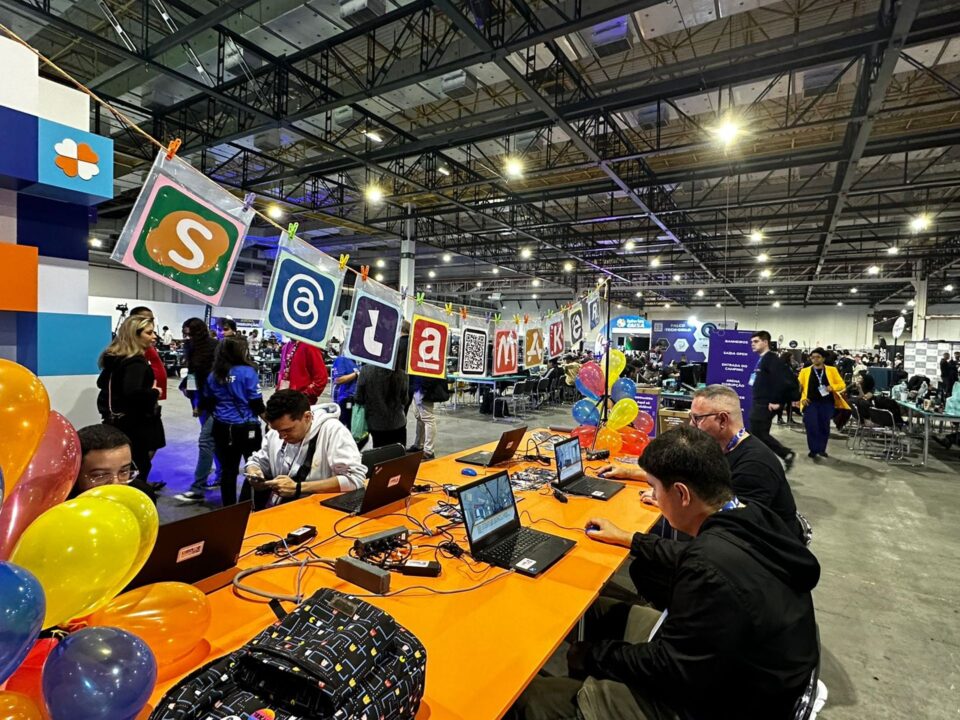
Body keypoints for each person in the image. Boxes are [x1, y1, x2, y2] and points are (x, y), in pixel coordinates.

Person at [509, 425, 820, 720]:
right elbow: (692, 557)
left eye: (655, 488)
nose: (654, 499)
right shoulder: (750, 517)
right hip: (746, 668)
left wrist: (594, 656)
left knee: (533, 697)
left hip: (720, 703)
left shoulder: (708, 570)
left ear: (682, 494)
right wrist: (631, 539)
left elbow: (670, 670)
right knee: (599, 609)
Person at [600, 385, 803, 541]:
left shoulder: (754, 467)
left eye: (697, 419)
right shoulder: (725, 448)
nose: (692, 425)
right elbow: (683, 475)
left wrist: (625, 537)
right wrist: (628, 472)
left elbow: (730, 533)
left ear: (722, 420)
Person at [244, 390, 365, 503]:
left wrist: (299, 488)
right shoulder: (275, 433)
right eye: (277, 430)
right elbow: (256, 462)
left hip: (319, 509)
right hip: (282, 509)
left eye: (288, 430)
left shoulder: (333, 431)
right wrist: (254, 473)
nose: (281, 437)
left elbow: (355, 480)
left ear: (307, 417)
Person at [96, 315, 165, 483]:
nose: (154, 336)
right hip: (135, 425)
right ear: (136, 334)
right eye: (149, 333)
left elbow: (102, 382)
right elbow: (133, 393)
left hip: (118, 422)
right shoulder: (135, 363)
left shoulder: (117, 359)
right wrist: (154, 392)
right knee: (138, 467)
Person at [199, 337, 266, 507]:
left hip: (221, 427)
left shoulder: (214, 374)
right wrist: (270, 421)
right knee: (255, 466)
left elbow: (208, 402)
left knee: (228, 471)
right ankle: (250, 504)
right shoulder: (248, 372)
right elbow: (256, 403)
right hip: (247, 428)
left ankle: (229, 508)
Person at [175, 317, 222, 503]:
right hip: (201, 399)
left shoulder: (215, 346)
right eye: (185, 333)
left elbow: (216, 375)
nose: (187, 336)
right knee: (212, 441)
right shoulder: (191, 347)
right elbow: (193, 375)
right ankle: (220, 476)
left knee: (206, 441)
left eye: (189, 333)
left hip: (217, 401)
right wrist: (196, 402)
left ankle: (198, 488)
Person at [70, 424, 155, 502]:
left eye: (124, 471)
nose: (116, 483)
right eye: (100, 475)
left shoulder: (142, 496)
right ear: (76, 475)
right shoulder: (62, 509)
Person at [748, 330, 796, 469]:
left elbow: (782, 381)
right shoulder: (763, 358)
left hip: (766, 404)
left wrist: (777, 401)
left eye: (756, 341)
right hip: (760, 402)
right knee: (759, 434)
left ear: (765, 342)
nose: (753, 344)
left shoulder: (772, 359)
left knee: (758, 434)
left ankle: (785, 454)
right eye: (752, 342)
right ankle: (765, 462)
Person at [798, 347, 848, 459]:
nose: (815, 359)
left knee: (824, 426)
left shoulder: (832, 370)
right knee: (811, 426)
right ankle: (813, 449)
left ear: (823, 358)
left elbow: (842, 385)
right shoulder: (805, 371)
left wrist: (832, 387)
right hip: (810, 403)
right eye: (813, 357)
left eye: (818, 357)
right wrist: (802, 399)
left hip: (827, 403)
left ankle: (821, 449)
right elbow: (800, 387)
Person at [355, 363, 409, 448]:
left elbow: (358, 398)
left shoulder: (365, 370)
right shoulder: (402, 373)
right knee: (399, 458)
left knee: (380, 457)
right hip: (398, 423)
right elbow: (405, 400)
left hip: (376, 425)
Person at [130, 307, 168, 403]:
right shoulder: (135, 346)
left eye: (152, 319)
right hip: (146, 394)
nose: (151, 322)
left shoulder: (147, 343)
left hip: (152, 393)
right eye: (147, 319)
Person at [409, 375, 449, 460]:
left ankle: (429, 451)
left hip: (425, 389)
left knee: (428, 419)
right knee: (419, 417)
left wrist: (424, 386)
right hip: (417, 387)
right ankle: (419, 445)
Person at [278, 339, 329, 403]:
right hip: (284, 400)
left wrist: (304, 395)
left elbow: (321, 378)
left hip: (301, 403)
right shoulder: (285, 347)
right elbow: (282, 373)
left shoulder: (310, 346)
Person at [331, 354, 361, 430]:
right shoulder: (342, 359)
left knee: (356, 429)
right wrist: (356, 374)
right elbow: (338, 380)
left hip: (359, 401)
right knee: (342, 428)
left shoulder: (364, 361)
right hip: (345, 400)